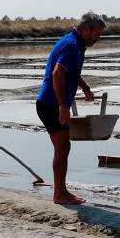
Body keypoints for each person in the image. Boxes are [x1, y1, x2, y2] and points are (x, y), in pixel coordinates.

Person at [36, 12, 105, 205]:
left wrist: (85, 88)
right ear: (86, 29)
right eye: (96, 34)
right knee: (62, 147)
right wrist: (63, 106)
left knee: (63, 147)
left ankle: (61, 192)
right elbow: (58, 74)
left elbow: (71, 72)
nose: (98, 39)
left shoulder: (75, 43)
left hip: (50, 103)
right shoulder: (72, 45)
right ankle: (60, 194)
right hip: (50, 104)